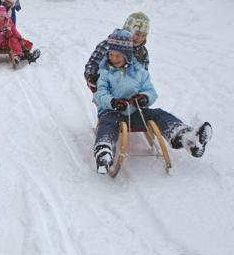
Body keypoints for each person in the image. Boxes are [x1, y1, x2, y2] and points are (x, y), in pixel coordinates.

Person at [92, 29, 212, 174]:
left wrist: (144, 98)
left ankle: (186, 138)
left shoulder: (140, 72)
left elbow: (151, 91)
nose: (114, 58)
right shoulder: (104, 73)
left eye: (118, 55)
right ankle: (104, 151)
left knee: (158, 114)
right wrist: (112, 102)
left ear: (127, 55)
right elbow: (100, 94)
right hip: (113, 112)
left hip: (137, 112)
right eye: (111, 54)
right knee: (107, 124)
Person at [85, 12, 151, 93]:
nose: (139, 38)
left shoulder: (142, 52)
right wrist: (91, 77)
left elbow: (144, 73)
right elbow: (92, 63)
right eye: (137, 34)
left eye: (144, 35)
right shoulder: (109, 45)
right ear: (128, 30)